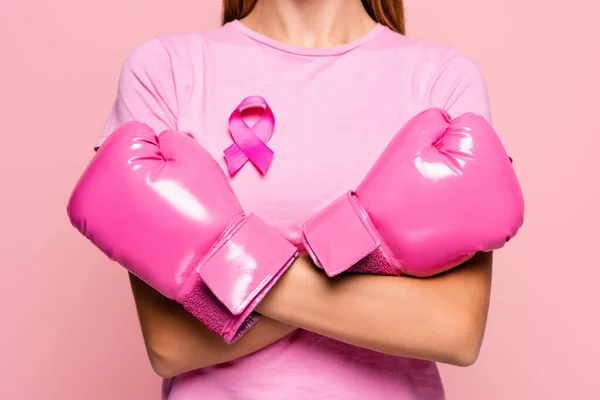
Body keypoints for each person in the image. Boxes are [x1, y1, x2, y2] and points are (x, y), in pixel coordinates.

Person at [95, 1, 501, 399]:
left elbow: (454, 328)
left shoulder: (442, 79)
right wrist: (361, 254)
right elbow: (171, 343)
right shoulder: (165, 70)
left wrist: (229, 273)